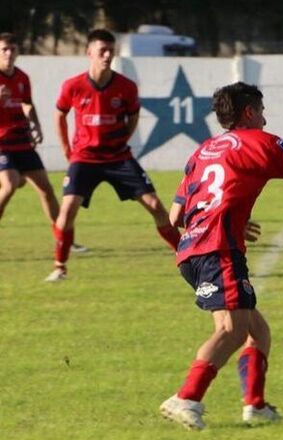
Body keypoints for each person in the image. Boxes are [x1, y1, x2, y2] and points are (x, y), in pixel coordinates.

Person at [159, 82, 283, 430]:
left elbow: (174, 218)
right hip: (218, 249)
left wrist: (226, 218)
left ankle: (255, 406)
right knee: (233, 329)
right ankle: (186, 397)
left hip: (192, 251)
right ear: (248, 112)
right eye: (261, 111)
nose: (264, 118)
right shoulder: (263, 142)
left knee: (256, 332)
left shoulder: (203, 150)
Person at [47, 28, 179, 282]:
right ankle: (59, 267)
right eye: (102, 51)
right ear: (89, 53)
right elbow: (59, 114)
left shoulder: (126, 87)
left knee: (155, 205)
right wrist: (66, 148)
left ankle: (186, 256)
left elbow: (134, 116)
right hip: (84, 158)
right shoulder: (73, 86)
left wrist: (122, 140)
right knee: (68, 209)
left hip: (118, 157)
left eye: (111, 51)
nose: (107, 56)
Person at [0, 32, 86, 253]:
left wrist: (35, 124)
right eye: (4, 50)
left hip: (22, 141)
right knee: (9, 186)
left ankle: (63, 238)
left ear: (18, 52)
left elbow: (27, 104)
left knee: (46, 189)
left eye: (12, 49)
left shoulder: (22, 77)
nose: (9, 54)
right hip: (2, 144)